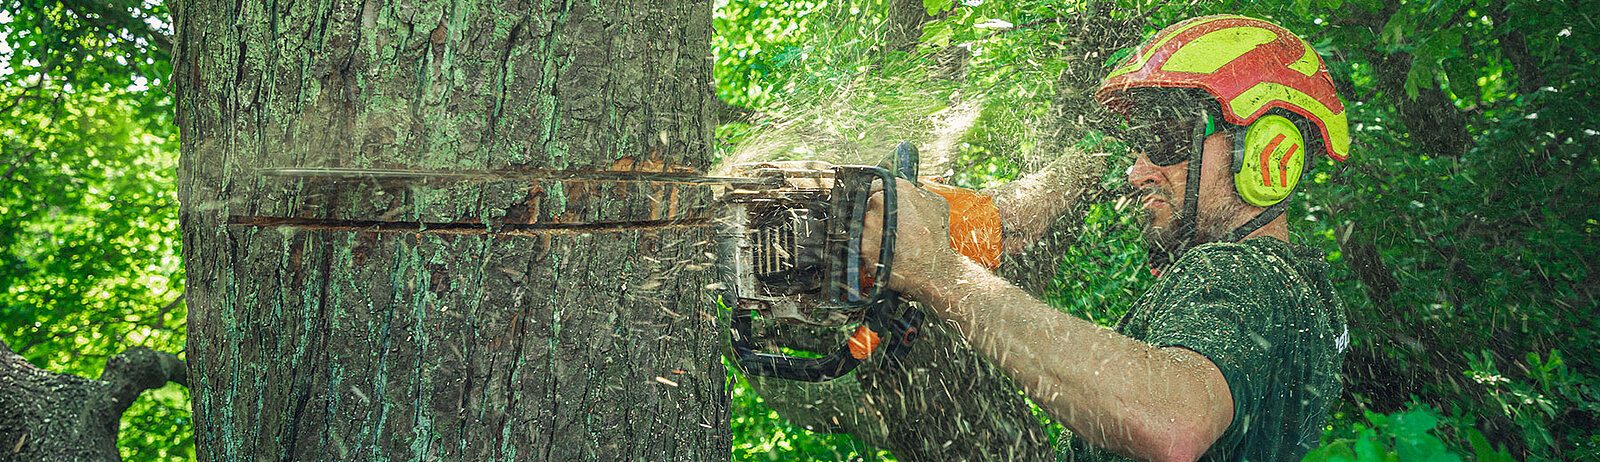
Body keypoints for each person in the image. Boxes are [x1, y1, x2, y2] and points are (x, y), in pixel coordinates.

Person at [864, 15, 1350, 461]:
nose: (1138, 171)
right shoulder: (1304, 296)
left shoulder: (1242, 271)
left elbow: (1174, 423)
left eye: (1165, 140)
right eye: (1138, 146)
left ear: (1267, 155)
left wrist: (937, 271)